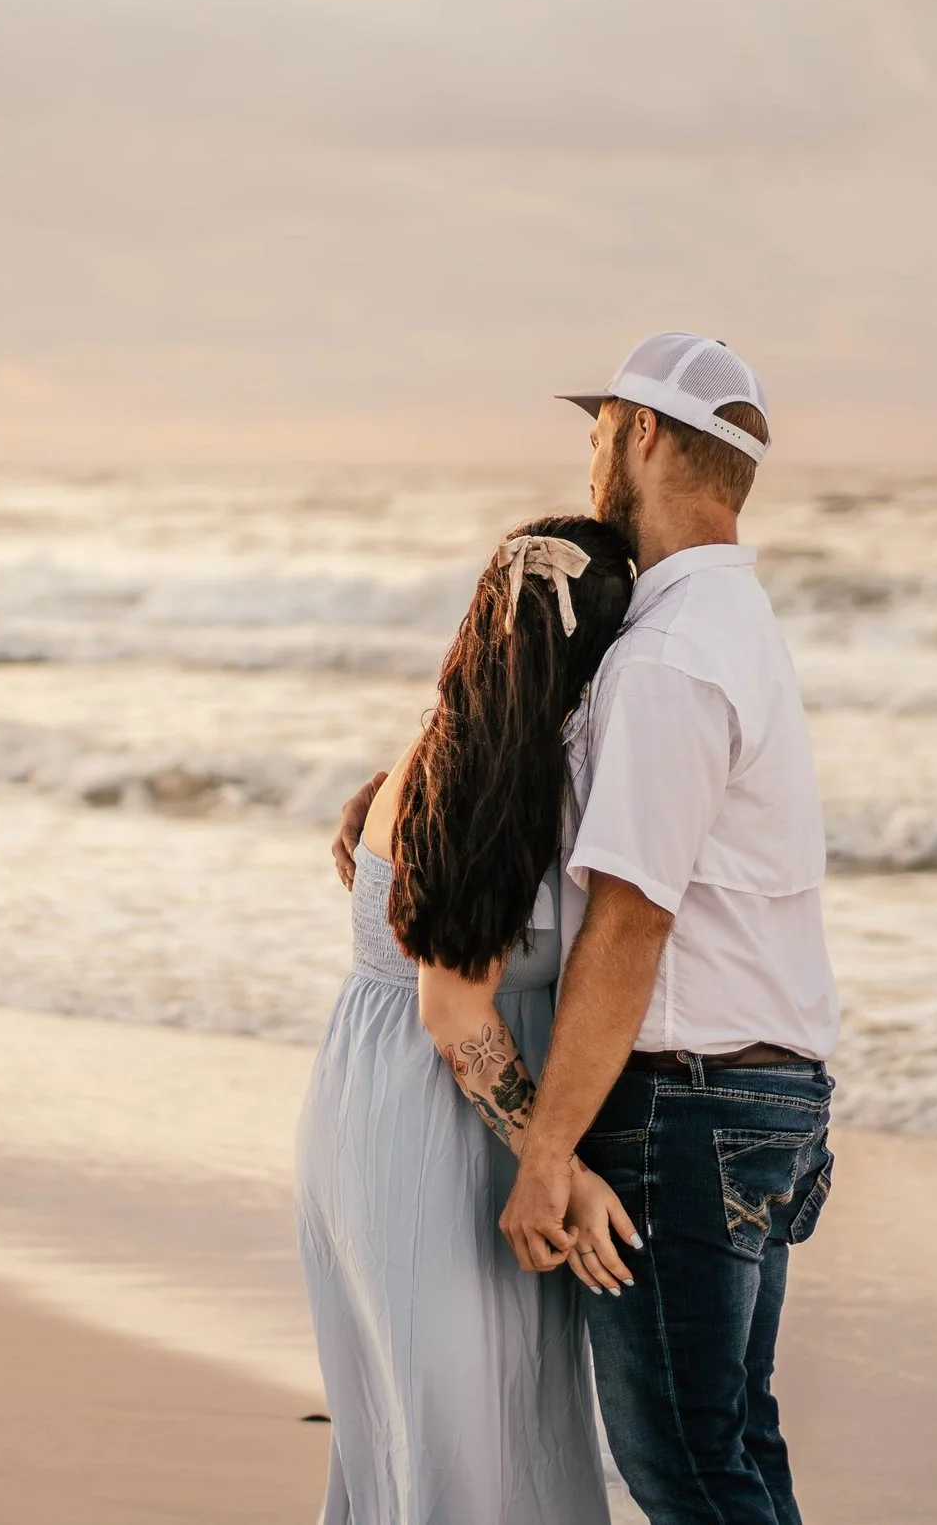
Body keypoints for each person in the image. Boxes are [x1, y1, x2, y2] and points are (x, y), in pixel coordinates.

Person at [330, 333, 840, 1525]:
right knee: (734, 1446)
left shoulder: (663, 657)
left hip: (686, 1107)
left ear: (644, 434)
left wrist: (547, 1153)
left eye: (599, 425)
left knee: (689, 1470)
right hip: (769, 1089)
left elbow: (630, 920)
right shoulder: (736, 626)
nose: (592, 448)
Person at [296, 514, 641, 1525]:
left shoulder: (473, 749)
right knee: (449, 1455)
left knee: (456, 1447)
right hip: (424, 1131)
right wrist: (560, 1164)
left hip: (404, 1102)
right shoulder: (483, 775)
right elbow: (452, 1012)